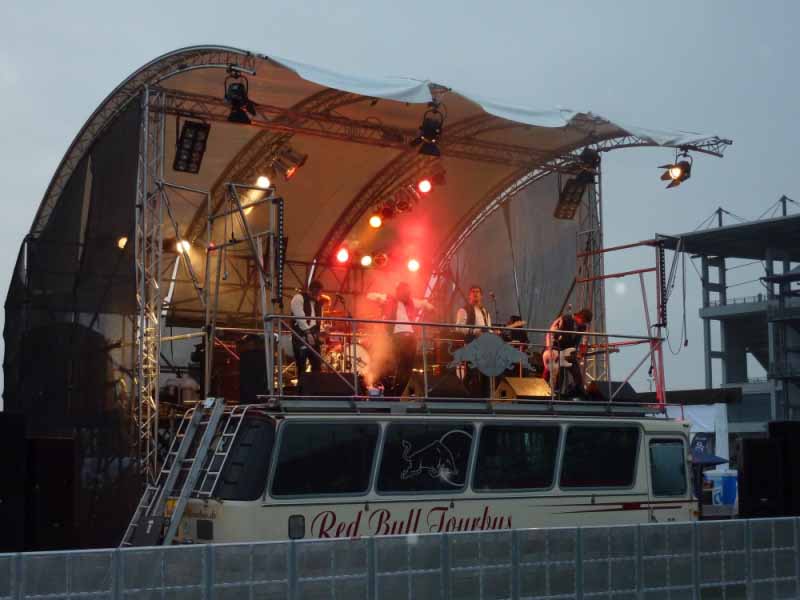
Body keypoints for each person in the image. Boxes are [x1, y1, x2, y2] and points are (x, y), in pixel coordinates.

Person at [367, 282, 434, 396]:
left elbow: (423, 303)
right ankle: (390, 391)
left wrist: (430, 307)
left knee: (407, 369)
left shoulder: (411, 302)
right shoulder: (389, 299)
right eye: (405, 292)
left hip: (410, 338)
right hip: (397, 336)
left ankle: (396, 393)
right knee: (393, 366)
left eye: (408, 292)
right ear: (399, 292)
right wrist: (379, 298)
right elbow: (370, 296)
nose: (407, 294)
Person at [542, 308, 593, 397]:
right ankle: (555, 393)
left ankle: (578, 393)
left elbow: (576, 343)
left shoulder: (582, 327)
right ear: (579, 316)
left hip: (568, 352)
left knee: (577, 373)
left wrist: (578, 353)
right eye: (583, 321)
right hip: (556, 349)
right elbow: (550, 334)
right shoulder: (564, 319)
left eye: (585, 323)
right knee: (559, 371)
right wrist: (549, 349)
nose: (584, 324)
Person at [455, 285, 492, 396]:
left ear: (481, 296)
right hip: (471, 345)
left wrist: (492, 333)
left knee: (486, 374)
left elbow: (488, 328)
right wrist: (475, 331)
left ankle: (485, 398)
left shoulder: (485, 312)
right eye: (473, 292)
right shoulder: (464, 310)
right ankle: (469, 396)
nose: (475, 294)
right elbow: (459, 328)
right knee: (472, 373)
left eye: (478, 292)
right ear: (469, 295)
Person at [290, 280, 324, 392]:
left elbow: (318, 320)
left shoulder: (319, 304)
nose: (318, 296)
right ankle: (301, 391)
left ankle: (315, 390)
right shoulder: (298, 298)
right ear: (311, 290)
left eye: (319, 293)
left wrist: (322, 332)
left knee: (317, 364)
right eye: (316, 293)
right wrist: (307, 332)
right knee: (301, 365)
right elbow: (299, 317)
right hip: (301, 335)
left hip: (314, 335)